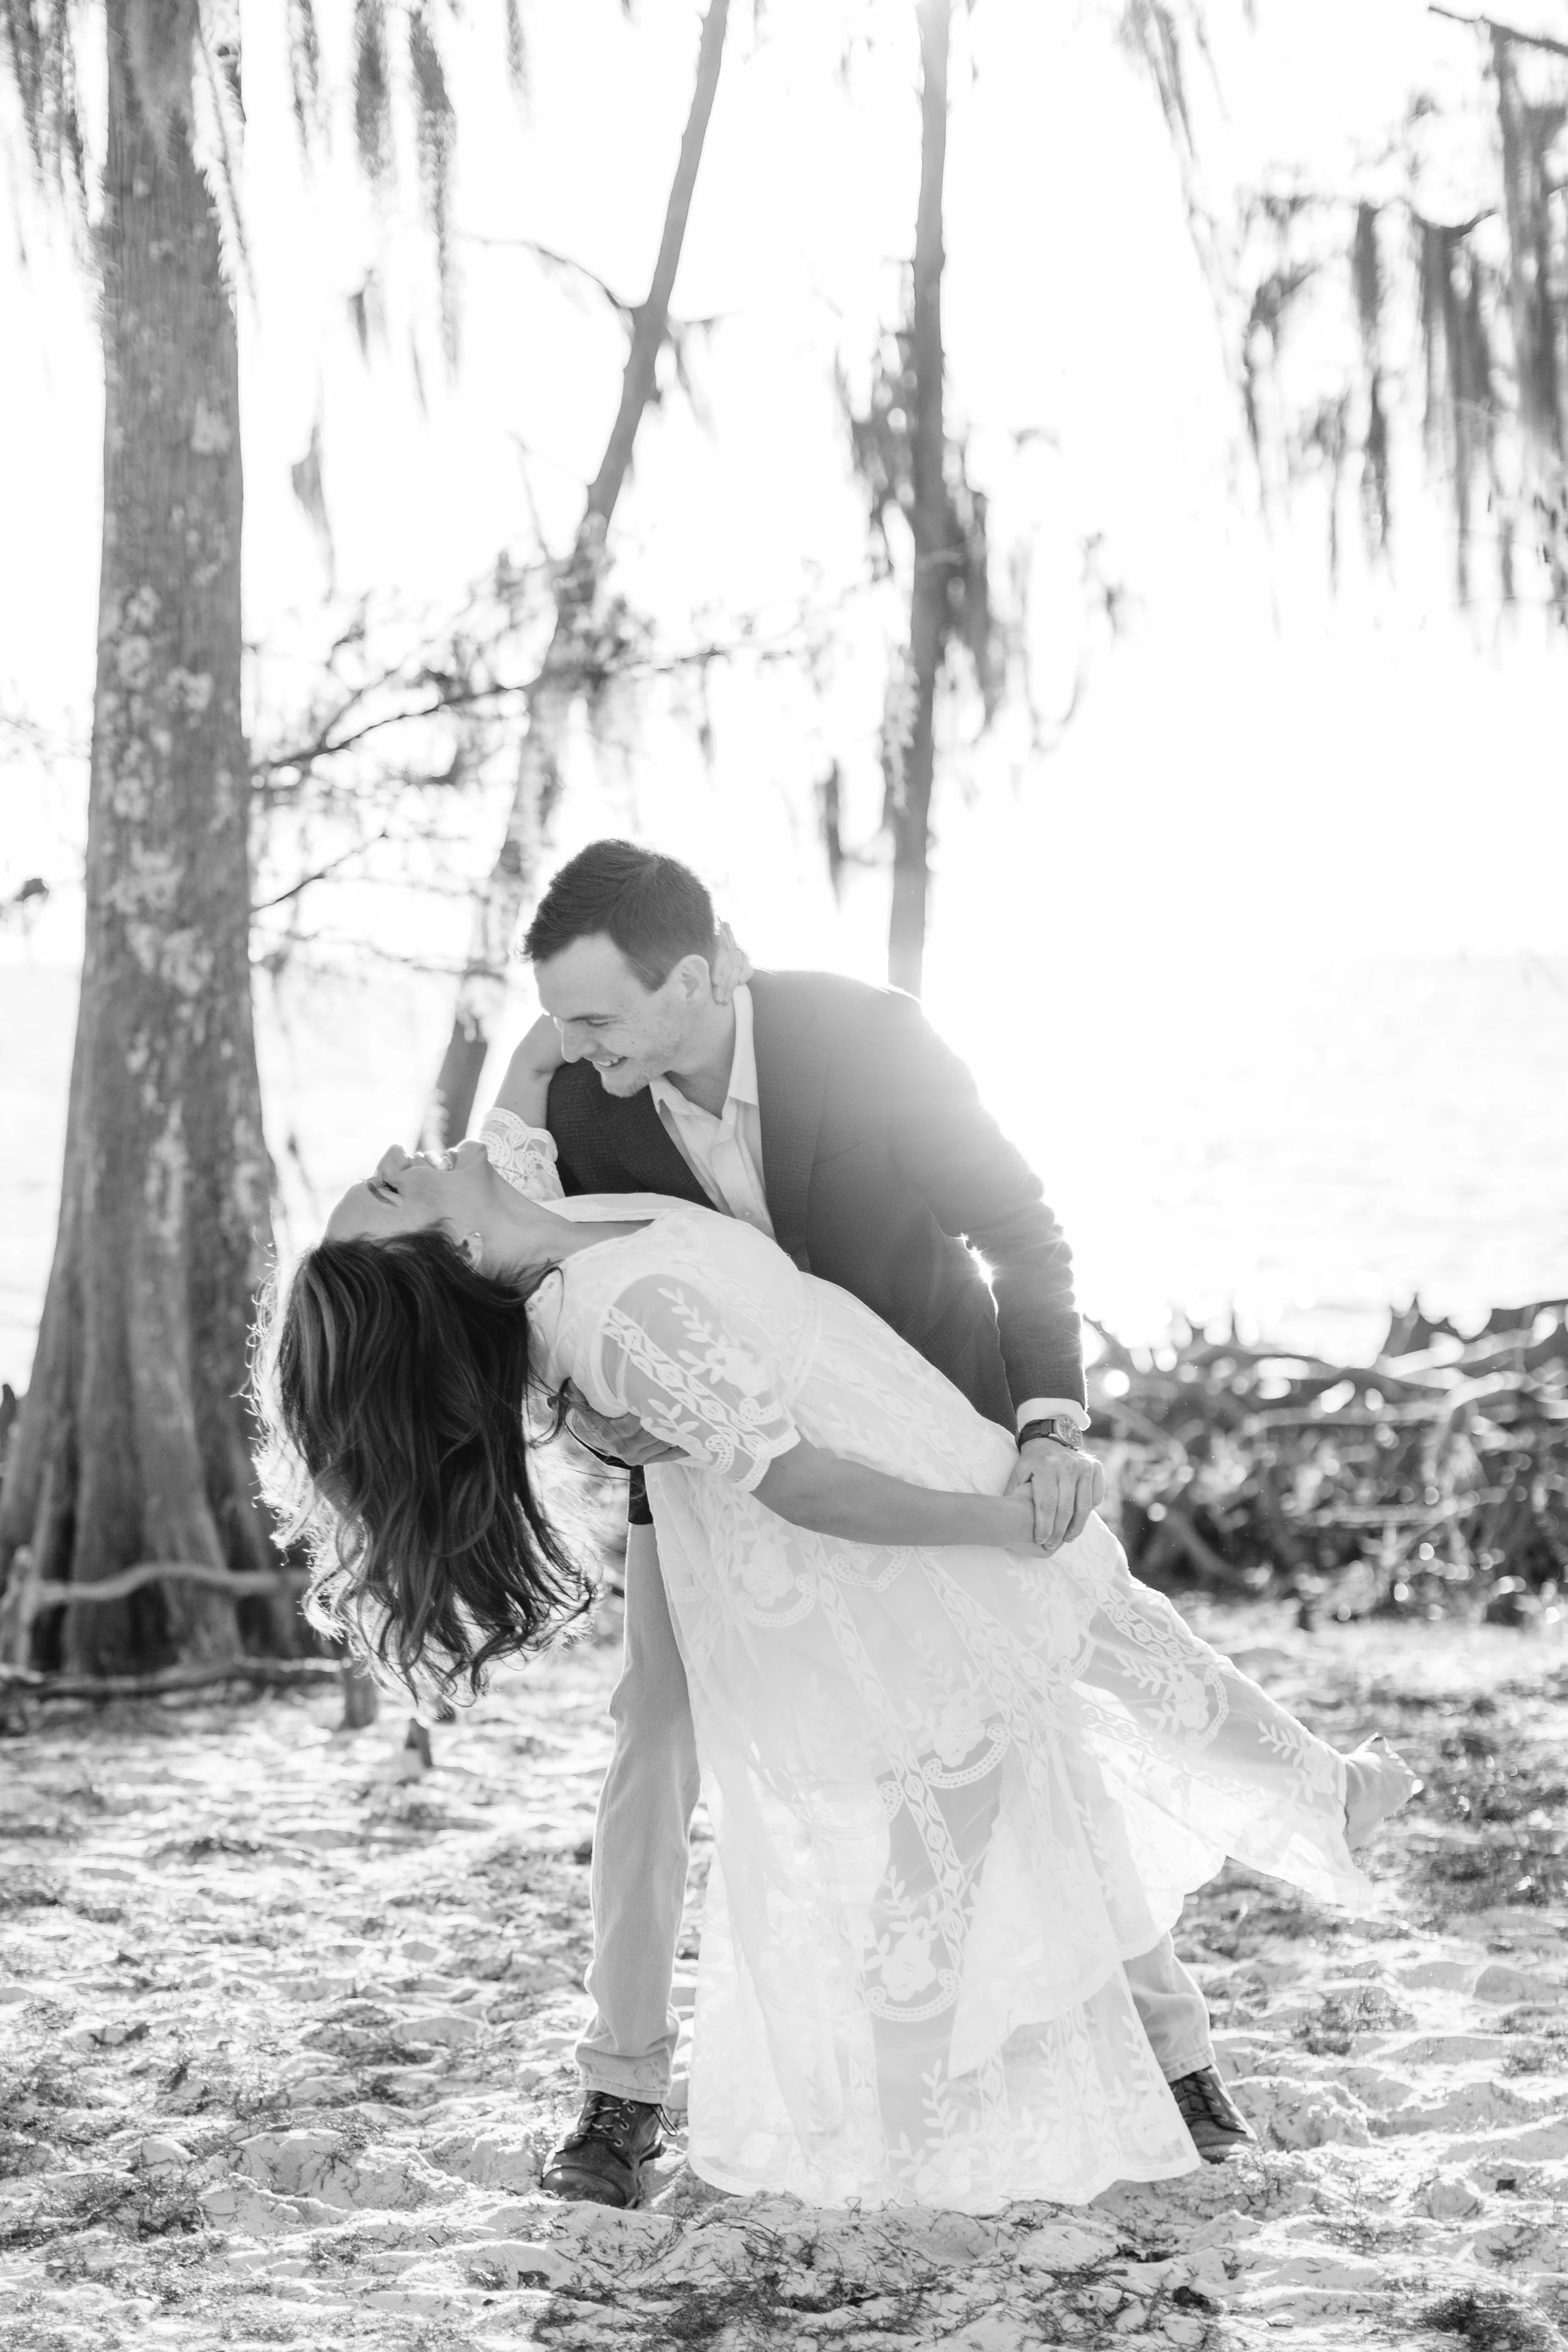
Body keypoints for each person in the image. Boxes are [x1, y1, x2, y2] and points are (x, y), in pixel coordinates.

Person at [255, 965, 1418, 2220]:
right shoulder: (551, 1254)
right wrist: (598, 1411)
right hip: (773, 1497)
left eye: (623, 1005)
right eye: (384, 1188)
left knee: (1085, 1665)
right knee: (821, 1746)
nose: (393, 1149)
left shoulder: (610, 1117)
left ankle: (1224, 1944)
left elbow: (551, 1054)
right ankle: (645, 2089)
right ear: (451, 1256)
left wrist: (1019, 1443)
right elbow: (717, 1434)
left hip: (898, 1416)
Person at [488, 842, 1239, 2202]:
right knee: (654, 1733)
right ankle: (618, 2090)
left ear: (702, 974)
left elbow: (1018, 1225)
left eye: (595, 1013)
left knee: (1019, 1711)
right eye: (559, 1016)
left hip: (918, 1427)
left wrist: (1047, 1424)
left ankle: (1173, 2054)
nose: (568, 1042)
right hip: (708, 1470)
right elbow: (541, 1297)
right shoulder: (574, 1094)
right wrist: (599, 1425)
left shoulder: (871, 1040)